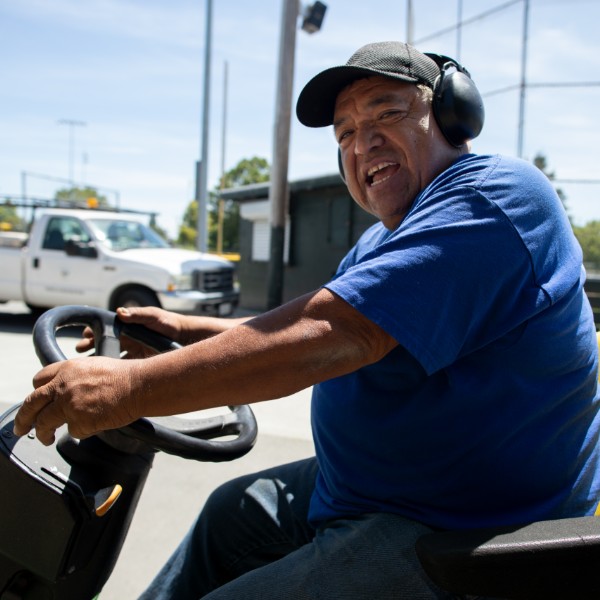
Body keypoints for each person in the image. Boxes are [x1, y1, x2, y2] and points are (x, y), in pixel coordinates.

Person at [13, 41, 600, 599]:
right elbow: (318, 322)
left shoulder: (496, 198)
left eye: (386, 115)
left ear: (452, 115)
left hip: (465, 525)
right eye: (345, 133)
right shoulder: (384, 239)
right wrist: (182, 334)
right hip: (379, 492)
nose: (362, 143)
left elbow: (338, 334)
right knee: (230, 513)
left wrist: (130, 389)